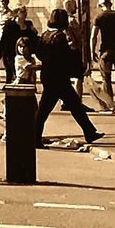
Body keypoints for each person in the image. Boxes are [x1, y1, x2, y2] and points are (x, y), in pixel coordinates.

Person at [33, 9, 102, 148]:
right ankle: (34, 137)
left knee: (73, 105)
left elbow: (39, 53)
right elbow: (66, 58)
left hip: (48, 74)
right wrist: (77, 64)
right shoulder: (60, 37)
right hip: (59, 77)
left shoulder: (45, 35)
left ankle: (90, 132)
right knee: (46, 109)